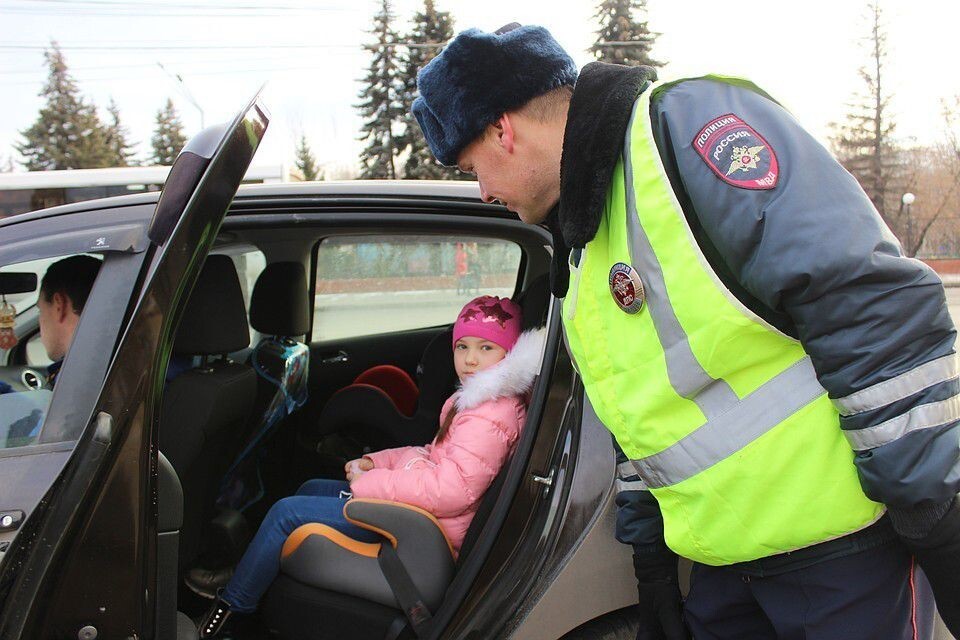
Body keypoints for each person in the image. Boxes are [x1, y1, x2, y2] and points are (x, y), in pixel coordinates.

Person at [410, 23, 960, 640]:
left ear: (501, 131)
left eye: (471, 167)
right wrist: (652, 566)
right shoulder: (586, 239)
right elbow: (641, 416)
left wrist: (935, 511)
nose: (483, 191)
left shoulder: (688, 131)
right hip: (727, 566)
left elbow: (869, 304)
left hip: (842, 557)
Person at [198, 295, 543, 637]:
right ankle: (250, 573)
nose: (469, 360)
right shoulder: (479, 403)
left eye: (486, 348)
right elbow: (431, 454)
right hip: (423, 515)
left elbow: (452, 491)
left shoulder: (489, 416)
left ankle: (232, 612)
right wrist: (377, 461)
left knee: (286, 512)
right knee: (311, 488)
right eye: (462, 346)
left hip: (423, 534)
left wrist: (372, 482)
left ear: (509, 353)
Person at [37, 255, 102, 387]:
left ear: (59, 305)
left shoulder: (75, 378)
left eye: (41, 311)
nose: (40, 326)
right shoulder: (116, 359)